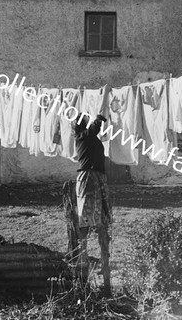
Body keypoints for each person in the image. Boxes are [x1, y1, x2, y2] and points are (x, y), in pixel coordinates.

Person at [73, 113, 112, 295]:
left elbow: (95, 130)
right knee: (86, 220)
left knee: (102, 220)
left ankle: (105, 274)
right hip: (88, 179)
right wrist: (99, 116)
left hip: (98, 178)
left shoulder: (90, 139)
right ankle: (83, 264)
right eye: (86, 122)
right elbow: (95, 127)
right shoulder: (82, 137)